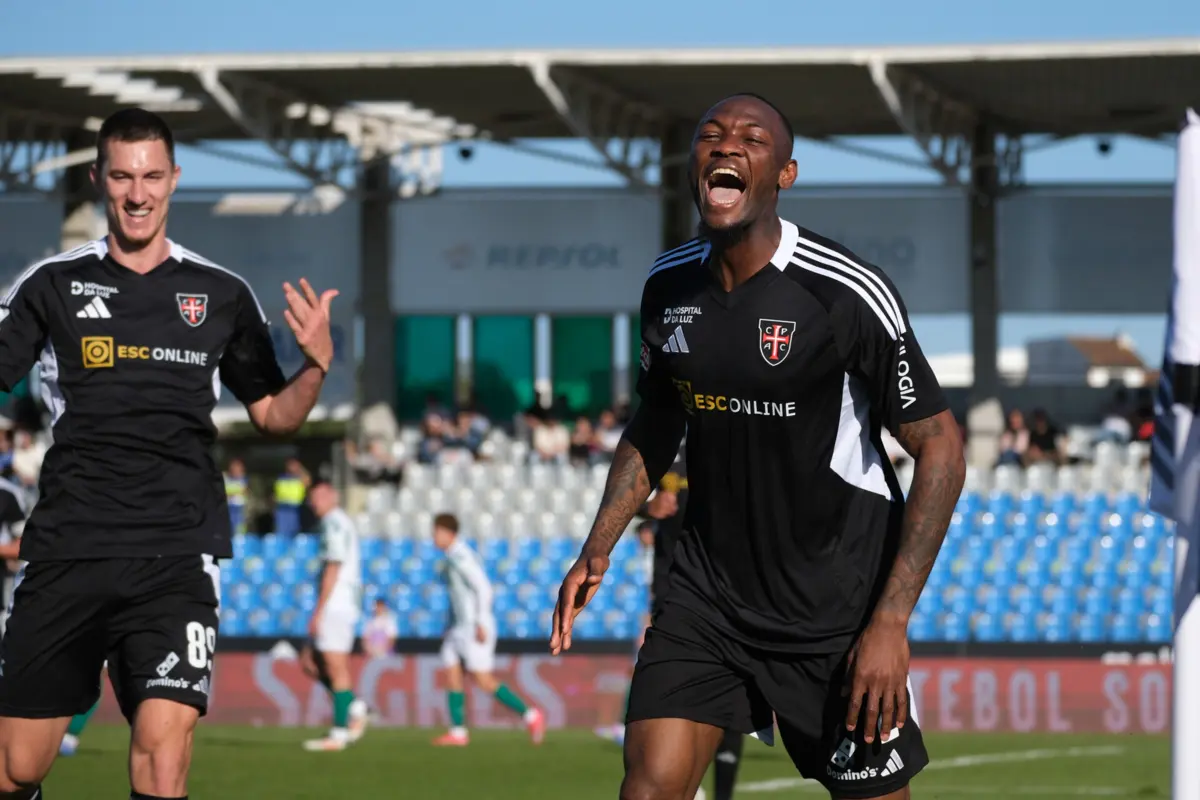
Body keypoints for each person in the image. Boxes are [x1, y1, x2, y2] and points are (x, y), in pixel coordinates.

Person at [549, 93, 965, 800]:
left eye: (751, 138)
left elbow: (942, 449)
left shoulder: (844, 293)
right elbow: (656, 421)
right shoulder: (668, 284)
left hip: (833, 612)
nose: (725, 146)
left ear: (786, 174)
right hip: (706, 600)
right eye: (710, 135)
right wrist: (599, 544)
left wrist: (890, 624)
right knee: (648, 790)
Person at [0, 107, 339, 800]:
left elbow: (274, 415)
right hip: (70, 548)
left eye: (152, 175)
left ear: (175, 180)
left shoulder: (221, 294)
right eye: (122, 176)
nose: (137, 192)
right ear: (99, 179)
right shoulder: (51, 285)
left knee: (164, 757)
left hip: (177, 555)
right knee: (14, 768)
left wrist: (315, 368)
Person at [429, 513, 546, 746]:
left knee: (483, 680)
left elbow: (483, 588)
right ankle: (458, 732)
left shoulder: (462, 557)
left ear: (448, 533)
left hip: (474, 627)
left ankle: (531, 715)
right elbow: (459, 597)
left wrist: (481, 621)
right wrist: (449, 625)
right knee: (452, 672)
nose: (433, 537)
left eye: (436, 532)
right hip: (457, 627)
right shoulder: (451, 557)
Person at [299, 480, 370, 752]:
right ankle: (356, 707)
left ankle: (339, 734)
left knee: (336, 666)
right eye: (312, 497)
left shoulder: (334, 523)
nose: (313, 502)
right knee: (312, 662)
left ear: (332, 496)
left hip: (337, 604)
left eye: (318, 496)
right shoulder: (335, 523)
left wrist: (318, 610)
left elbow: (334, 566)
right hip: (338, 603)